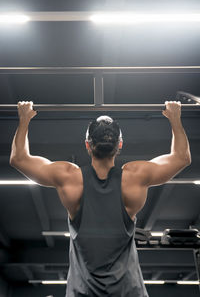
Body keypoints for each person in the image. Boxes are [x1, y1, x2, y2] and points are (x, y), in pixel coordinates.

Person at [10, 101, 191, 297]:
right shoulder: (134, 177)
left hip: (83, 293)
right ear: (119, 144)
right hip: (128, 292)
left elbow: (18, 158)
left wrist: (25, 119)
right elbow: (181, 157)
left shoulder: (69, 177)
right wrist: (175, 118)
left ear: (88, 144)